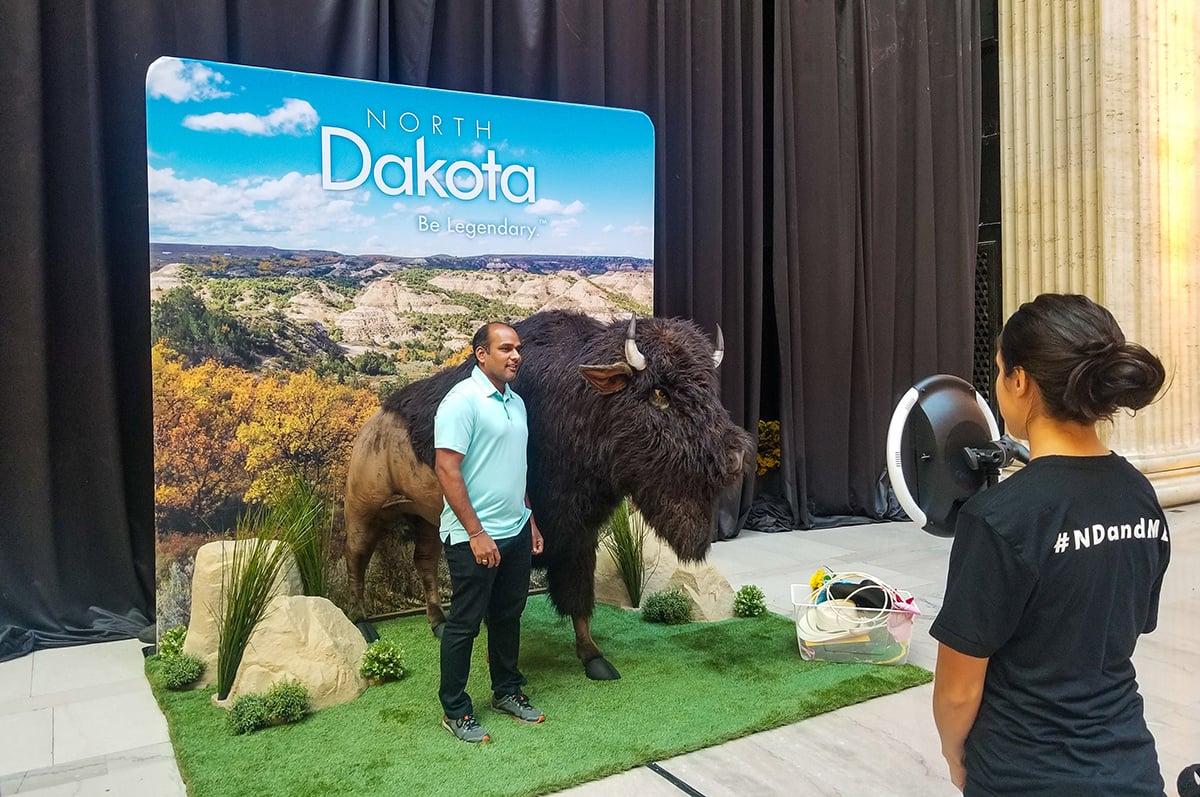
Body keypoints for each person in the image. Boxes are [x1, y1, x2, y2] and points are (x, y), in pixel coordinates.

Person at [931, 293, 1170, 795]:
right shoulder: (1139, 494)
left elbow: (957, 691)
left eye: (998, 372)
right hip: (1130, 768)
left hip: (1024, 773)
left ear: (1020, 381)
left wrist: (956, 756)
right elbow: (1120, 630)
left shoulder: (998, 518)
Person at [434, 321, 545, 743]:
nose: (516, 356)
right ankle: (456, 709)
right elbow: (446, 469)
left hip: (515, 529)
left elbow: (515, 468)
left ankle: (507, 692)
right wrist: (477, 533)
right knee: (464, 624)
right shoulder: (462, 402)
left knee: (507, 616)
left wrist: (529, 519)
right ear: (482, 354)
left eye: (518, 349)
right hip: (473, 536)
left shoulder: (515, 403)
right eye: (505, 349)